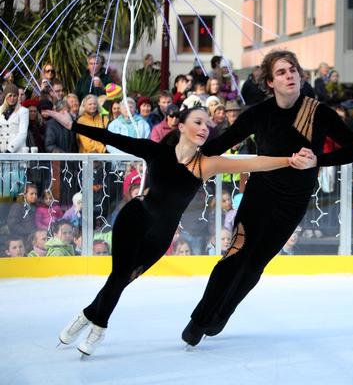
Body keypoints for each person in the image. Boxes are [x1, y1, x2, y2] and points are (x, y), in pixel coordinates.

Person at [43, 102, 317, 356]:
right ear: (181, 126)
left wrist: (289, 160)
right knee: (119, 275)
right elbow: (113, 139)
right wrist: (72, 125)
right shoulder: (156, 151)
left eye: (207, 125)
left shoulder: (205, 164)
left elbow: (253, 162)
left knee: (123, 279)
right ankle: (99, 326)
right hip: (134, 219)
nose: (203, 128)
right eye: (197, 122)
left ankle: (88, 314)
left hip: (161, 235)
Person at [182, 49, 353, 347]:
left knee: (255, 265)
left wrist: (317, 159)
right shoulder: (258, 113)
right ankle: (199, 319)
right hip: (258, 196)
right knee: (235, 256)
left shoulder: (318, 112)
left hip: (292, 203)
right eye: (281, 72)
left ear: (300, 75)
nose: (289, 75)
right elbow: (222, 143)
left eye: (292, 69)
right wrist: (187, 152)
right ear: (270, 82)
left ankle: (220, 315)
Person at [0, 83, 28, 152]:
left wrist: (10, 149)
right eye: (10, 95)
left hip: (17, 152)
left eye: (14, 96)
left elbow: (22, 134)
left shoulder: (23, 111)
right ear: (5, 96)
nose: (12, 98)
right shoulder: (0, 110)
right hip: (1, 152)